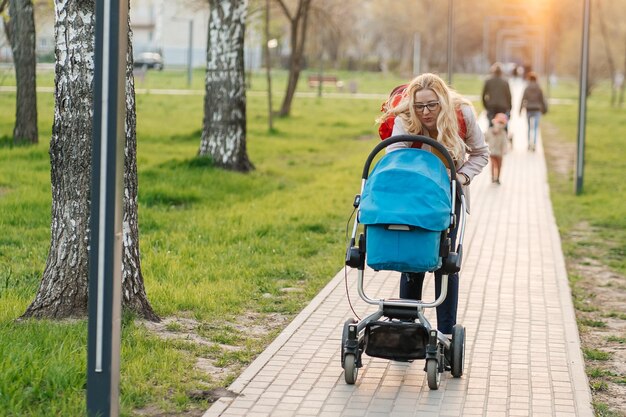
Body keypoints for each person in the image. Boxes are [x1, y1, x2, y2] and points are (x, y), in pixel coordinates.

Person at [378, 73, 489, 335]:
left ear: (443, 101)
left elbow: (481, 153)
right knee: (413, 259)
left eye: (431, 105)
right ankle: (406, 330)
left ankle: (446, 333)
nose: (425, 112)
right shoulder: (406, 118)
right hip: (413, 197)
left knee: (445, 263)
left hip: (449, 197)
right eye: (419, 106)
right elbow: (394, 155)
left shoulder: (462, 114)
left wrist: (462, 177)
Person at [520, 72, 548, 151]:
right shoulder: (539, 88)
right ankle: (534, 144)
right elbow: (542, 99)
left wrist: (520, 109)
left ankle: (529, 144)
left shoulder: (527, 87)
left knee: (529, 128)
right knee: (535, 128)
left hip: (528, 109)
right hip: (537, 110)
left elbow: (523, 99)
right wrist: (544, 109)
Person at [482, 63, 512, 129]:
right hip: (503, 107)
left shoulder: (488, 81)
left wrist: (486, 106)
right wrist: (510, 108)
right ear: (501, 72)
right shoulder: (505, 81)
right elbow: (509, 96)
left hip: (491, 107)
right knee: (503, 126)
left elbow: (483, 95)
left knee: (491, 126)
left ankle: (491, 139)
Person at [485, 113, 508, 184]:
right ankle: (492, 177)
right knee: (493, 164)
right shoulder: (490, 130)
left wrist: (504, 150)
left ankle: (498, 178)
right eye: (499, 122)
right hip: (492, 151)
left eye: (501, 123)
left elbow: (505, 142)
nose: (499, 125)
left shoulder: (503, 133)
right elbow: (485, 139)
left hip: (499, 152)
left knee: (499, 165)